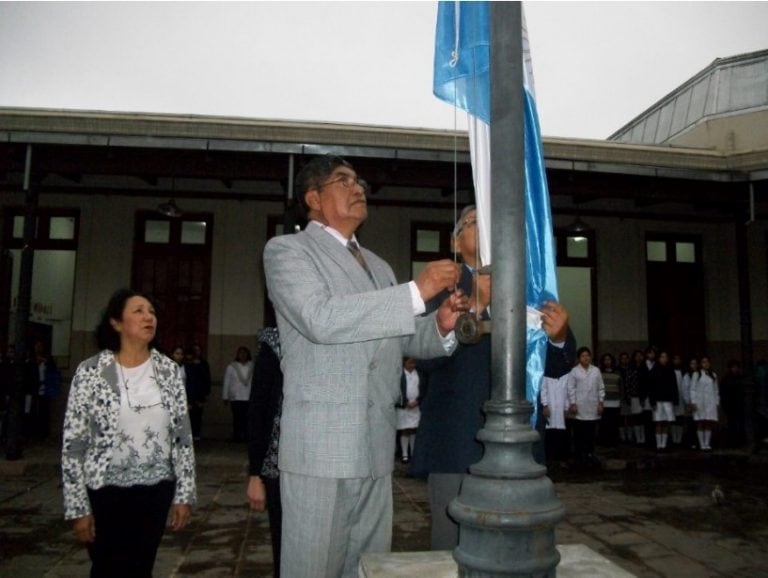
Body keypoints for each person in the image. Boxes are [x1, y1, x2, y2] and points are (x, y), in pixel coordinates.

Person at [262, 155, 466, 578]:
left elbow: (404, 336)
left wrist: (441, 325)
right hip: (321, 446)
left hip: (374, 443)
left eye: (360, 181)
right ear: (313, 199)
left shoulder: (379, 266)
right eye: (344, 181)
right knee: (311, 566)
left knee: (368, 566)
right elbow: (320, 318)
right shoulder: (288, 251)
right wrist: (416, 290)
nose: (359, 189)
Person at [410, 205, 575, 550]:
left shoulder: (526, 285)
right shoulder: (440, 286)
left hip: (520, 443)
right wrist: (477, 305)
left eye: (488, 218)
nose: (483, 225)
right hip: (457, 444)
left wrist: (560, 337)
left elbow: (556, 367)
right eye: (472, 221)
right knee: (454, 548)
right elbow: (424, 361)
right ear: (456, 244)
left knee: (518, 547)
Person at [61, 288, 196, 578]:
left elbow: (182, 437)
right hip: (104, 491)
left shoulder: (169, 371)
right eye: (138, 310)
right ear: (116, 322)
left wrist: (184, 494)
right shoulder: (91, 372)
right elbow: (74, 444)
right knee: (107, 568)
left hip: (155, 491)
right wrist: (77, 507)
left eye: (152, 311)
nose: (149, 316)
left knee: (140, 567)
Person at [246, 328, 283, 578]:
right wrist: (255, 474)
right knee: (284, 541)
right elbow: (258, 410)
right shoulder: (274, 345)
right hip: (278, 466)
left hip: (325, 462)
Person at [567, 346, 605, 466]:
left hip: (593, 406)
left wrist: (601, 402)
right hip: (579, 406)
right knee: (579, 432)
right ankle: (580, 455)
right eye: (583, 356)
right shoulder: (574, 371)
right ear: (579, 358)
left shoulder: (596, 370)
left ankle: (590, 454)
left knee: (591, 431)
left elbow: (601, 388)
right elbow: (570, 388)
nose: (586, 358)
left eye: (587, 355)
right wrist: (573, 403)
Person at [647, 351, 679, 450]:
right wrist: (652, 401)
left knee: (666, 422)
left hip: (668, 400)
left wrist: (675, 400)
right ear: (658, 358)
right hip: (658, 401)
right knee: (658, 422)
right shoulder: (654, 370)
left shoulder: (670, 370)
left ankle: (664, 444)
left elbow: (674, 386)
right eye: (662, 357)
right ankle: (658, 444)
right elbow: (651, 388)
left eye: (665, 357)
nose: (664, 359)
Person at [396, 357, 425, 464]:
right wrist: (405, 402)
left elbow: (422, 388)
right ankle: (404, 454)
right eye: (410, 363)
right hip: (405, 406)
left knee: (414, 429)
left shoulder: (419, 374)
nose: (412, 365)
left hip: (415, 406)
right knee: (405, 429)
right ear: (404, 362)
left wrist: (418, 401)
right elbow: (397, 389)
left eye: (414, 363)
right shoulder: (400, 374)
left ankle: (413, 453)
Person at [222, 346, 254, 442]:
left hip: (248, 396)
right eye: (240, 353)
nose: (243, 355)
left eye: (245, 353)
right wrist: (225, 396)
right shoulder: (231, 366)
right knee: (237, 418)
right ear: (237, 355)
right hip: (235, 397)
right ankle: (237, 436)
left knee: (247, 418)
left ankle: (246, 436)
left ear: (248, 354)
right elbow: (227, 381)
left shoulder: (252, 366)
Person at [690, 356, 719, 451]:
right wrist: (693, 402)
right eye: (703, 362)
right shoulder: (696, 374)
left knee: (708, 422)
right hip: (700, 401)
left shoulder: (713, 375)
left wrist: (716, 402)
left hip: (710, 401)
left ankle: (707, 443)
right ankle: (701, 443)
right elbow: (693, 389)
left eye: (707, 362)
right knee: (700, 422)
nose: (705, 364)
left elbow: (716, 390)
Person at [183, 345, 211, 441]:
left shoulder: (201, 365)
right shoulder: (185, 365)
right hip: (186, 395)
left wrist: (203, 396)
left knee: (197, 417)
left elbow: (205, 380)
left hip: (198, 395)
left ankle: (196, 435)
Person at [719, 359, 745, 448]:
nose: (735, 369)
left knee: (740, 424)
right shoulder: (726, 379)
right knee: (732, 424)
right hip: (731, 406)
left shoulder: (740, 378)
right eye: (733, 367)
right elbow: (723, 393)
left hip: (739, 405)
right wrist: (725, 405)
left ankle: (740, 441)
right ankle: (733, 442)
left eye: (736, 367)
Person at [598, 353, 621, 447]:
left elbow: (621, 386)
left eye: (609, 359)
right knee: (604, 423)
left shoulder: (617, 372)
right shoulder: (599, 372)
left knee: (614, 423)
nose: (607, 361)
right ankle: (604, 441)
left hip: (615, 401)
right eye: (605, 360)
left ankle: (614, 441)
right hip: (604, 401)